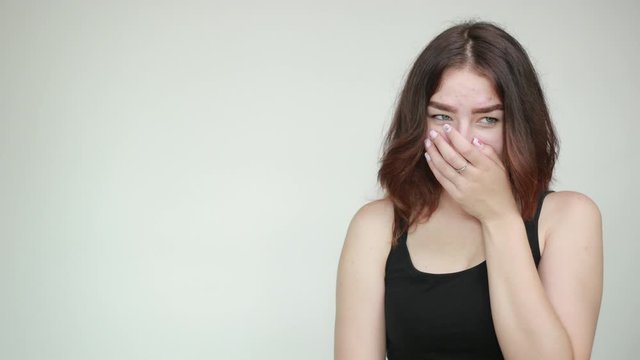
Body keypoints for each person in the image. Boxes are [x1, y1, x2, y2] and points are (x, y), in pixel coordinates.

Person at [334, 21, 603, 359]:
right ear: (419, 121)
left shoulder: (569, 218)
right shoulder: (376, 226)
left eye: (487, 119)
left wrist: (498, 217)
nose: (460, 139)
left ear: (517, 124)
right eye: (442, 116)